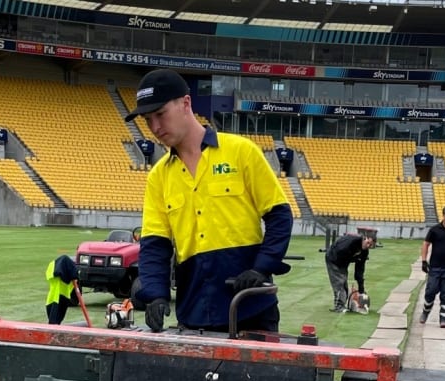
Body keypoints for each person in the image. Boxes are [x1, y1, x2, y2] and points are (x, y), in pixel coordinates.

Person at [125, 68, 292, 334]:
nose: (155, 127)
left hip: (251, 307)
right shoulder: (158, 177)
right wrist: (155, 294)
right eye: (148, 119)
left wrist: (262, 267)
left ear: (186, 103)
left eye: (160, 114)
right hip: (193, 311)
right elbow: (155, 244)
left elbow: (279, 215)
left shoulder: (241, 152)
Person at [325, 233, 374, 313]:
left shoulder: (364, 252)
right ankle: (338, 306)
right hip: (333, 258)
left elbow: (360, 269)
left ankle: (342, 305)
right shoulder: (351, 242)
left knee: (344, 284)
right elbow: (339, 250)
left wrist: (361, 289)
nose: (368, 246)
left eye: (371, 245)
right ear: (364, 238)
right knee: (339, 282)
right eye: (368, 243)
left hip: (343, 262)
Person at [46, 254, 80, 325]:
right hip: (58, 299)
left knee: (54, 321)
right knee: (54, 321)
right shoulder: (69, 273)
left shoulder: (53, 269)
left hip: (55, 299)